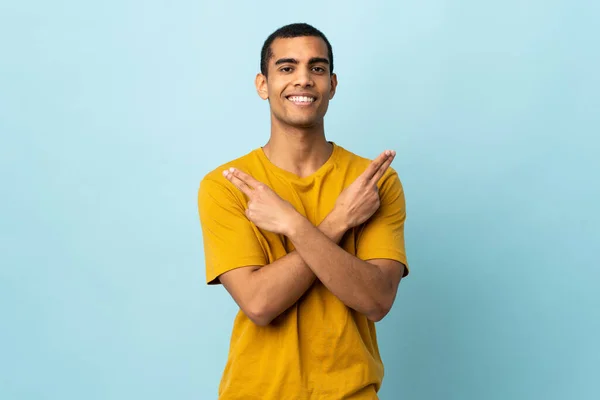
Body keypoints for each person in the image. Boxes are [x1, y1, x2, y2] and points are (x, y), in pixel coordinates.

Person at [197, 22, 409, 400]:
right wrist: (337, 222)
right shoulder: (226, 185)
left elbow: (377, 300)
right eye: (286, 67)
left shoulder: (373, 182)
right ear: (263, 85)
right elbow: (259, 304)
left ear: (332, 84)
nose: (303, 80)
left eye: (317, 68)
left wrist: (292, 224)